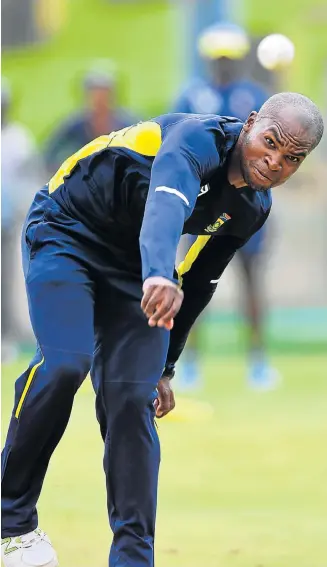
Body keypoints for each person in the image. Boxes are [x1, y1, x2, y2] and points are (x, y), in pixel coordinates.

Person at [1, 93, 323, 567]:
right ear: (251, 124)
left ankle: (133, 559)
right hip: (66, 230)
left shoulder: (253, 207)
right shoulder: (195, 139)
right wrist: (156, 274)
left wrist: (166, 366)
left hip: (135, 267)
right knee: (66, 363)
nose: (274, 161)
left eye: (291, 159)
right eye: (269, 142)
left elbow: (199, 280)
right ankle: (12, 525)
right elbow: (165, 207)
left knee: (135, 397)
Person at [174, 22, 276, 389]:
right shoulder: (191, 96)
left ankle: (258, 359)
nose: (223, 64)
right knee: (190, 282)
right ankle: (187, 362)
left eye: (228, 57)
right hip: (201, 209)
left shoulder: (255, 96)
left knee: (252, 283)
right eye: (217, 58)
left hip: (245, 205)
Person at [1, 78, 45, 361]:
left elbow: (30, 179)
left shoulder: (18, 139)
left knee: (4, 281)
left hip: (4, 221)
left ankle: (5, 335)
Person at [44, 62, 137, 175]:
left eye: (103, 95)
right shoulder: (75, 125)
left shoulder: (129, 125)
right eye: (94, 95)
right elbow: (49, 153)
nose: (99, 101)